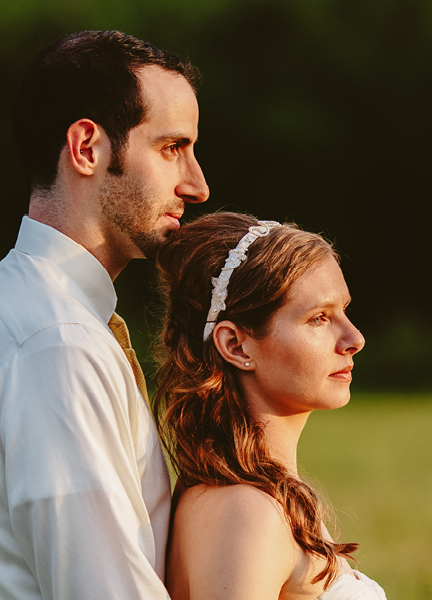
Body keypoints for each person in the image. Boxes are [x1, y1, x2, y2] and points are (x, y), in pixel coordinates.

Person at [0, 30, 209, 599]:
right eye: (173, 148)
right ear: (86, 148)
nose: (197, 185)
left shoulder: (31, 311)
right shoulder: (55, 342)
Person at [152, 212, 387, 600]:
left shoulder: (259, 495)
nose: (354, 338)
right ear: (236, 346)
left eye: (344, 310)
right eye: (318, 318)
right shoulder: (244, 512)